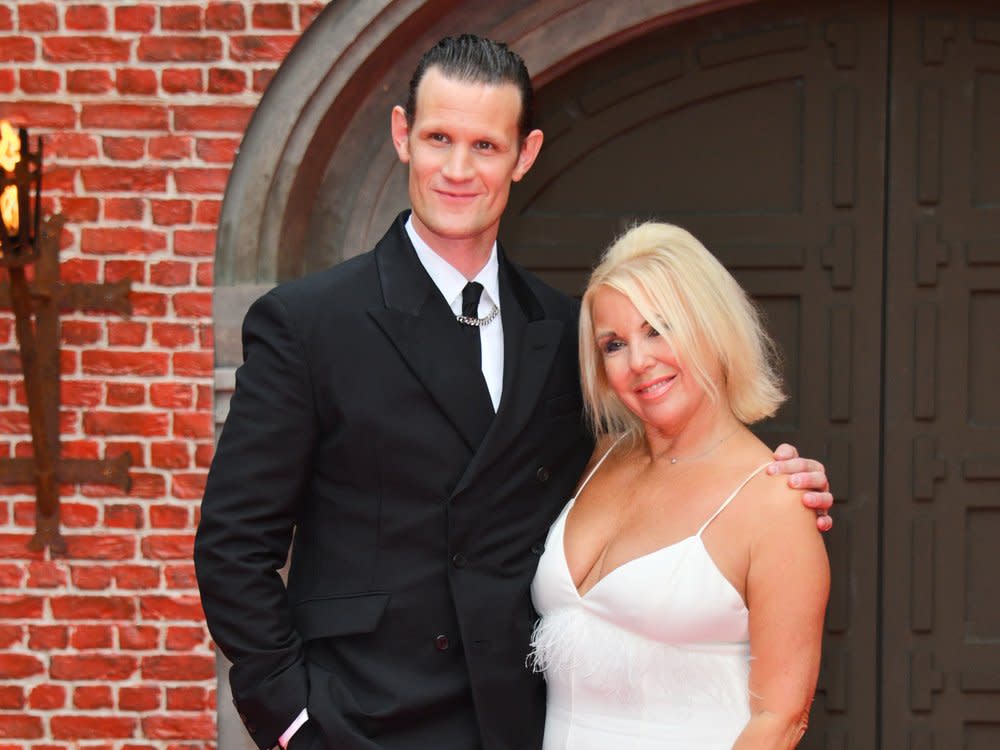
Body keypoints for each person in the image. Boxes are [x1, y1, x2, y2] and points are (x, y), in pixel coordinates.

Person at [194, 35, 833, 750]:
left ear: (524, 155)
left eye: (486, 146)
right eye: (439, 138)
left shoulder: (567, 333)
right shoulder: (310, 324)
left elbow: (666, 459)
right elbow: (232, 545)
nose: (458, 170)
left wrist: (777, 488)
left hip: (521, 724)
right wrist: (293, 720)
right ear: (403, 136)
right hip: (358, 725)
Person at [529, 222, 830, 749]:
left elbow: (781, 719)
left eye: (659, 328)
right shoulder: (593, 460)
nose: (640, 361)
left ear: (711, 328)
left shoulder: (775, 502)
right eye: (614, 343)